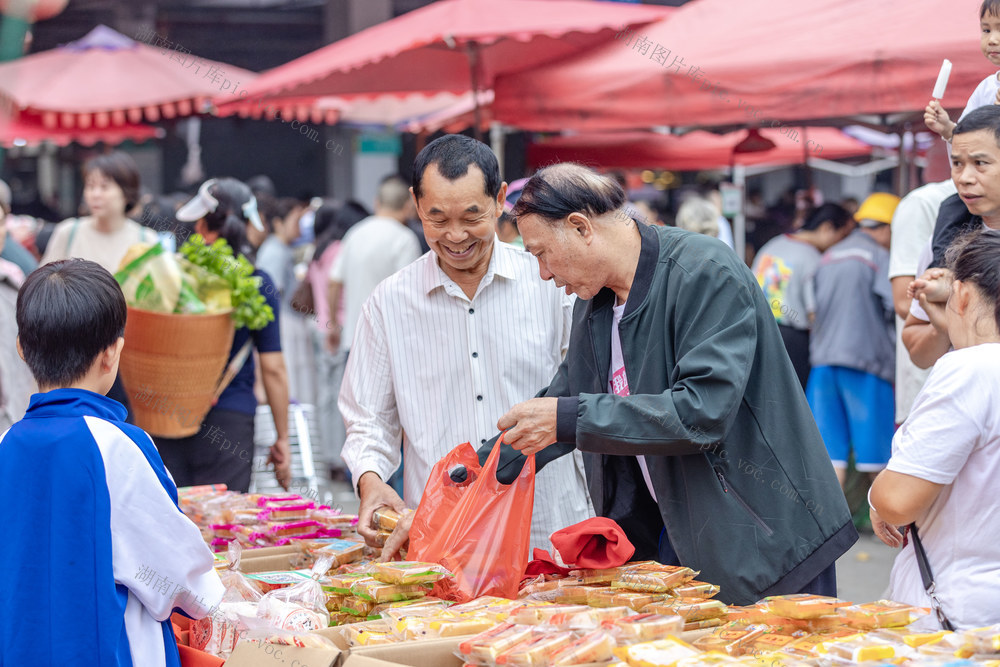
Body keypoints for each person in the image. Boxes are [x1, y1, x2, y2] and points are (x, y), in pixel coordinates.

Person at [472, 163, 855, 606]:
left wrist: (567, 418)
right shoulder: (595, 302)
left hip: (767, 540)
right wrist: (476, 474)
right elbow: (565, 399)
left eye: (542, 253)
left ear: (580, 227)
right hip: (675, 538)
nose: (543, 273)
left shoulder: (704, 271)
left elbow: (700, 412)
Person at [340, 135, 593, 558]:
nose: (455, 236)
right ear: (416, 204)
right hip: (441, 535)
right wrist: (371, 479)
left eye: (471, 216)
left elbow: (589, 393)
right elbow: (368, 418)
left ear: (500, 200)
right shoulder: (389, 303)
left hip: (549, 530)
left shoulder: (552, 284)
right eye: (437, 219)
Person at [0, 259, 223, 665]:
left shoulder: (5, 445)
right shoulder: (117, 446)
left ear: (21, 349)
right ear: (112, 353)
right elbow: (180, 576)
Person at [870, 229, 1000, 630]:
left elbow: (898, 501)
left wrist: (877, 499)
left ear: (961, 295)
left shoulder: (972, 371)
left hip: (961, 617)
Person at [154, 178, 292, 492]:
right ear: (247, 224)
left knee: (174, 514)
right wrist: (282, 437)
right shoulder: (257, 282)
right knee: (225, 517)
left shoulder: (171, 277)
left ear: (201, 225)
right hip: (230, 418)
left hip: (168, 415)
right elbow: (273, 368)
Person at [807, 193, 898, 487]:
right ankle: (885, 520)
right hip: (865, 365)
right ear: (887, 228)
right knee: (879, 463)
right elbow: (897, 310)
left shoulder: (827, 257)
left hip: (822, 366)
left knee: (830, 461)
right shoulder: (879, 258)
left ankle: (827, 519)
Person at [903, 105, 1000, 369]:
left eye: (980, 163)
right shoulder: (948, 240)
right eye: (957, 163)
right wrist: (944, 327)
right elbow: (918, 354)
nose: (964, 178)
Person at [752, 203, 855, 389]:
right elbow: (813, 313)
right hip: (793, 340)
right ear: (827, 228)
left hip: (757, 329)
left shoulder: (773, 244)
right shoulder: (813, 259)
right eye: (843, 236)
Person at [327, 175, 421, 356]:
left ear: (376, 202)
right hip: (389, 343)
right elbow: (409, 292)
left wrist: (333, 325)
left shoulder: (354, 233)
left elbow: (333, 283)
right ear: (408, 207)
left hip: (353, 340)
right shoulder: (404, 239)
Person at [307, 200, 369, 478]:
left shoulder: (319, 250)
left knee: (327, 396)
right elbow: (336, 289)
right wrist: (335, 325)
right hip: (337, 329)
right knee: (342, 399)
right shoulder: (338, 250)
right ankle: (339, 459)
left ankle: (329, 456)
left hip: (320, 326)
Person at [888, 180, 956, 423]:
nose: (967, 177)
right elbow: (904, 302)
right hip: (935, 394)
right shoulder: (925, 205)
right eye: (958, 164)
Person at [41, 152, 157, 273]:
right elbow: (46, 279)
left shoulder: (146, 240)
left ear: (127, 193)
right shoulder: (68, 233)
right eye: (90, 186)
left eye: (104, 187)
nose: (95, 194)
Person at [924, 0, 1000, 144]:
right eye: (986, 30)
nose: (992, 40)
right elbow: (970, 144)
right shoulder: (985, 88)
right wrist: (948, 129)